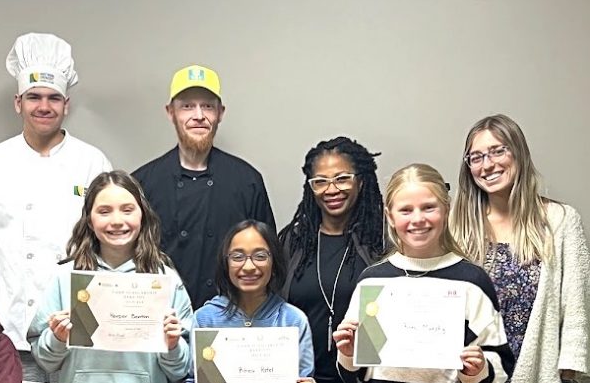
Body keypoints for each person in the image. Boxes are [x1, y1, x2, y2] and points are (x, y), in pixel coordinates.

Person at [0, 32, 112, 381]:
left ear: (66, 104)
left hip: (78, 334)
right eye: (34, 97)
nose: (44, 106)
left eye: (53, 98)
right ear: (18, 102)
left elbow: (113, 250)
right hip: (8, 336)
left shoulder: (93, 163)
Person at [333, 163, 515, 383]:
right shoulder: (372, 282)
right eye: (406, 210)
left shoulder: (472, 282)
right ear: (390, 216)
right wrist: (349, 353)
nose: (417, 219)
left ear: (446, 210)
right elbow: (353, 375)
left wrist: (477, 370)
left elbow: (502, 367)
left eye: (429, 207)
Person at [450, 114, 590, 383]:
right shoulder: (458, 226)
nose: (487, 165)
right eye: (476, 157)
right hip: (474, 373)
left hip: (539, 368)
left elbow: (575, 306)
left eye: (497, 151)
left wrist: (571, 367)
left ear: (518, 153)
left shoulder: (559, 220)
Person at [27, 170, 192, 383]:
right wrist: (57, 338)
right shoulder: (66, 278)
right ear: (89, 220)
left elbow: (181, 370)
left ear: (142, 214)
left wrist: (172, 346)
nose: (116, 221)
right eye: (104, 211)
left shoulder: (164, 280)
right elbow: (45, 362)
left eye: (127, 210)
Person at [133, 64, 275, 310]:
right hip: (159, 319)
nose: (198, 115)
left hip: (230, 321)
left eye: (207, 106)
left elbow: (268, 260)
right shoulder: (143, 183)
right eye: (187, 106)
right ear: (170, 112)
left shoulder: (246, 180)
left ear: (220, 113)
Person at [278, 136, 385, 383]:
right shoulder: (292, 243)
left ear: (361, 181)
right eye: (320, 182)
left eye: (342, 178)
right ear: (310, 186)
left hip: (363, 378)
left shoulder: (381, 243)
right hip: (303, 378)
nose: (332, 189)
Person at [188, 220, 314, 382]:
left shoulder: (294, 320)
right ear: (226, 263)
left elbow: (304, 376)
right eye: (238, 257)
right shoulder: (205, 319)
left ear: (274, 262)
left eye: (260, 256)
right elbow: (195, 377)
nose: (248, 267)